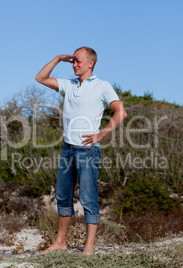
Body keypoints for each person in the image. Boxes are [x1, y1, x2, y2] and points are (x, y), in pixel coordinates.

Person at [35, 46, 127, 255]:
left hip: (88, 150)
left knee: (88, 197)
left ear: (90, 63)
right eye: (73, 61)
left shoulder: (103, 86)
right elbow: (40, 78)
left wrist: (101, 135)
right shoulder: (69, 85)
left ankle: (89, 247)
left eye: (77, 61)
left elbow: (121, 112)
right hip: (68, 149)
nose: (74, 65)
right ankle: (60, 242)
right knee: (63, 196)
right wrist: (59, 58)